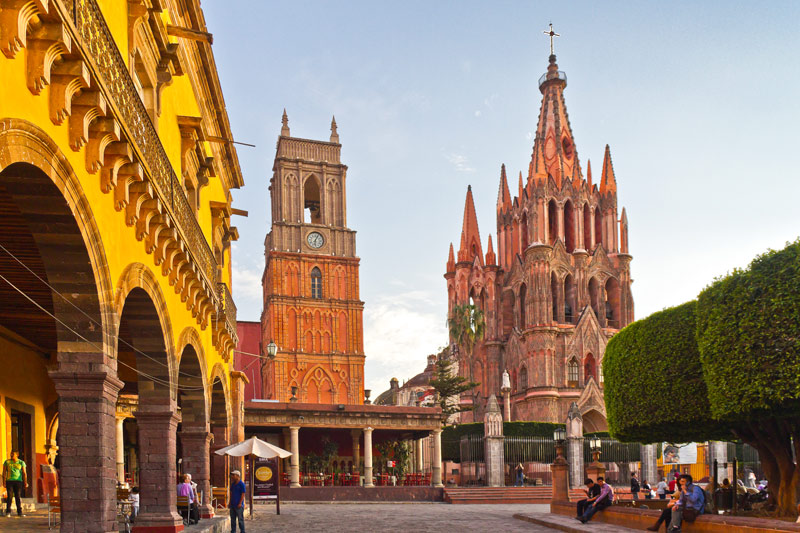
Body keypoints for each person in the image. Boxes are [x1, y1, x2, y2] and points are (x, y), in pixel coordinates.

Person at [3, 451, 26, 517]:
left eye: (13, 454)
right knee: (9, 497)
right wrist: (4, 482)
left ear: (17, 455)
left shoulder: (21, 462)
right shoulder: (7, 462)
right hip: (9, 481)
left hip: (18, 481)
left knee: (17, 496)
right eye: (11, 454)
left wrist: (25, 482)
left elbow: (24, 473)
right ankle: (8, 512)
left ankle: (19, 512)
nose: (11, 455)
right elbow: (4, 472)